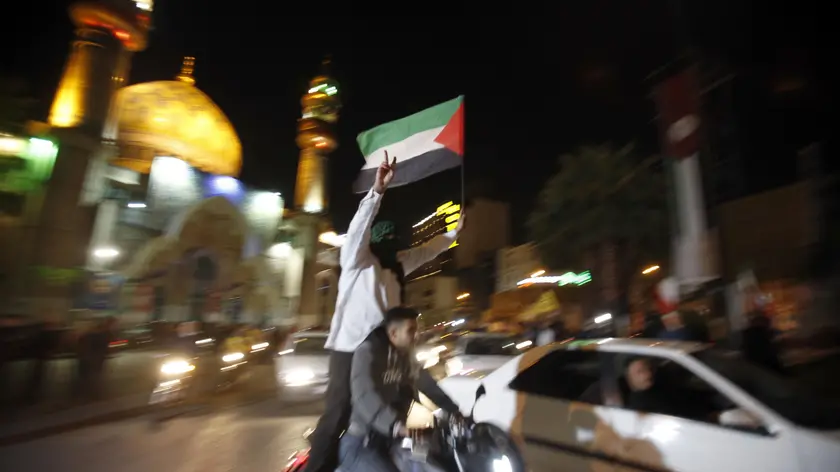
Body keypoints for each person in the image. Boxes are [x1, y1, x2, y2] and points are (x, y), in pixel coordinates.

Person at [305, 152, 465, 472]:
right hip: (350, 348)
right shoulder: (357, 261)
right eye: (388, 242)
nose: (397, 249)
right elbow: (359, 227)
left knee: (406, 399)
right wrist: (377, 191)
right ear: (376, 241)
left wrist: (455, 232)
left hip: (385, 348)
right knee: (338, 413)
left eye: (399, 244)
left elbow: (429, 251)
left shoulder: (398, 265)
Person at [339, 307, 462, 472]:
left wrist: (454, 410)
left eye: (416, 330)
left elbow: (426, 383)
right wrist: (396, 426)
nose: (415, 336)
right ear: (394, 333)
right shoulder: (368, 353)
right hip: (361, 444)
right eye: (411, 331)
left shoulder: (405, 356)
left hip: (389, 442)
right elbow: (365, 396)